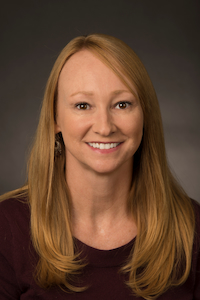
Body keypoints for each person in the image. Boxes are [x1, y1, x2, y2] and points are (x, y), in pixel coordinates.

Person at [0, 34, 199, 300]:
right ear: (55, 118)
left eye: (122, 104)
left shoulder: (192, 227)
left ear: (144, 115)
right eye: (83, 105)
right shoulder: (6, 228)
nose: (105, 127)